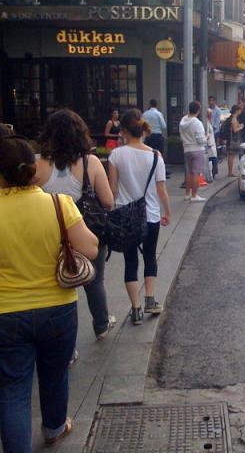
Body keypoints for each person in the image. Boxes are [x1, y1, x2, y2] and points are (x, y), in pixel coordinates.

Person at [0, 135, 99, 451]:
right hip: (57, 308)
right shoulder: (58, 204)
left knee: (13, 389)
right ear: (33, 168)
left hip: (6, 313)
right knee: (54, 376)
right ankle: (54, 428)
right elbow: (91, 248)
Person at [36, 109, 116, 340]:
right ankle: (101, 324)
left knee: (59, 289)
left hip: (50, 236)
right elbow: (108, 202)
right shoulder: (90, 162)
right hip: (87, 233)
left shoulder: (38, 166)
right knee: (95, 280)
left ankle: (66, 347)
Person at [108, 109, 171, 325]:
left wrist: (110, 210)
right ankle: (150, 301)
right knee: (150, 256)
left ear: (124, 131)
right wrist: (167, 212)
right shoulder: (155, 156)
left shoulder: (116, 155)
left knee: (130, 261)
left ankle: (135, 309)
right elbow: (162, 189)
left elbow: (113, 189)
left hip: (125, 216)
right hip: (150, 215)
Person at [179, 101, 208, 202]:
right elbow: (201, 140)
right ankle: (194, 195)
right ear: (198, 111)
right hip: (197, 149)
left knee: (188, 173)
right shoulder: (197, 123)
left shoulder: (182, 121)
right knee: (195, 173)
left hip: (186, 149)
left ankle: (187, 194)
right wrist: (206, 138)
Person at [227, 104, 244, 177]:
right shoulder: (234, 119)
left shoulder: (232, 118)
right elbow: (234, 130)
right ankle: (230, 172)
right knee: (231, 156)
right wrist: (241, 127)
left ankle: (230, 172)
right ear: (236, 111)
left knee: (231, 156)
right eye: (239, 110)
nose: (240, 111)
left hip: (231, 139)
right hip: (233, 140)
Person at [206, 108, 218, 182]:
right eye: (210, 114)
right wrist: (208, 144)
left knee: (213, 160)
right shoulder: (206, 123)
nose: (211, 115)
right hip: (210, 144)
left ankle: (213, 174)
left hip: (212, 143)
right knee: (212, 160)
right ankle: (211, 175)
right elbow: (207, 134)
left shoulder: (209, 122)